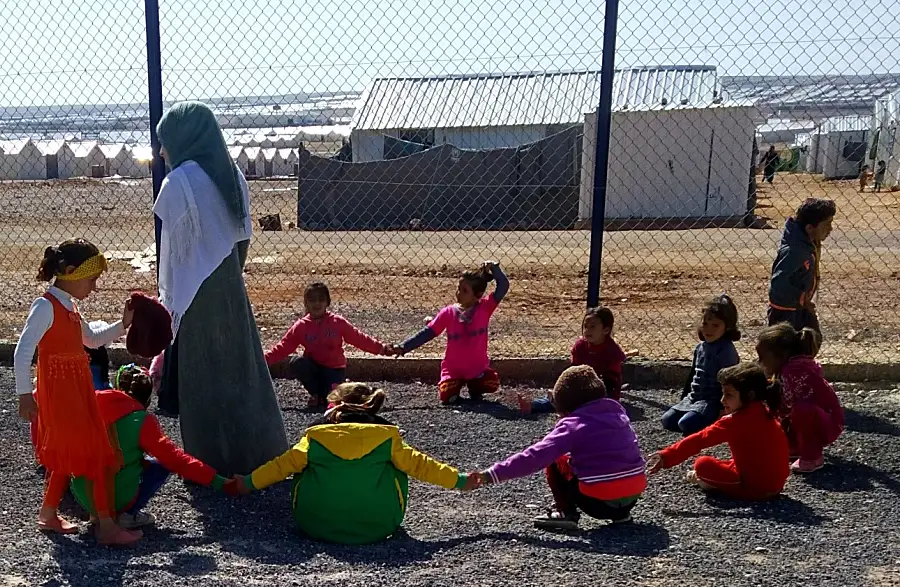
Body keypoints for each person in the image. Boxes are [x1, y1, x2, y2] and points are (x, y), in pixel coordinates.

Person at [154, 101, 288, 475]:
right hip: (230, 285)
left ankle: (209, 462)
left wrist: (171, 303)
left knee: (202, 375)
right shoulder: (230, 173)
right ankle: (259, 454)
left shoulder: (178, 183)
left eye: (165, 142)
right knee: (242, 368)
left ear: (183, 140)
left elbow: (173, 257)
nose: (162, 151)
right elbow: (242, 238)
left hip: (196, 292)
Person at [230, 383, 474, 544]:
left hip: (315, 524)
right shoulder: (387, 438)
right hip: (379, 526)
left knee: (301, 467)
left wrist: (247, 483)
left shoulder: (315, 437)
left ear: (335, 413)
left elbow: (279, 467)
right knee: (401, 465)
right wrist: (459, 480)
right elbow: (424, 466)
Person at [13, 239, 140, 545]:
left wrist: (123, 325)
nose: (94, 287)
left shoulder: (69, 305)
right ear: (70, 272)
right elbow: (22, 351)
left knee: (65, 452)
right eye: (91, 279)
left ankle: (48, 513)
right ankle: (106, 526)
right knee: (96, 452)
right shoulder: (45, 306)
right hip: (61, 396)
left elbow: (93, 340)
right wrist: (23, 395)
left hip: (76, 391)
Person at [470, 366, 645, 530]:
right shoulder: (618, 414)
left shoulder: (572, 425)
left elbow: (535, 456)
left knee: (555, 459)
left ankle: (564, 511)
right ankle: (622, 516)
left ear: (565, 408)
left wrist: (491, 475)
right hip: (633, 496)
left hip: (597, 503)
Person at [70, 364, 230, 529]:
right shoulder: (141, 420)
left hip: (83, 493)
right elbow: (175, 459)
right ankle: (127, 515)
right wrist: (218, 481)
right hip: (116, 496)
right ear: (147, 398)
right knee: (160, 464)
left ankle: (97, 513)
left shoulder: (92, 405)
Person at [647, 363, 789, 500]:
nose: (722, 400)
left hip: (756, 488)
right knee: (731, 462)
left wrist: (666, 455)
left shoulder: (734, 422)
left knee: (702, 464)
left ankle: (706, 482)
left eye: (729, 395)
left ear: (750, 396)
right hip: (776, 485)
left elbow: (699, 439)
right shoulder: (765, 411)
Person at [264, 282, 393, 409]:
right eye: (312, 300)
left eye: (321, 299)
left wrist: (382, 349)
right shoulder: (301, 326)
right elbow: (283, 347)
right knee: (297, 362)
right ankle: (316, 394)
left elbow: (359, 339)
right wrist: (263, 359)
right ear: (306, 303)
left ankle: (330, 392)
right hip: (314, 368)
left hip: (334, 370)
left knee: (334, 400)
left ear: (327, 302)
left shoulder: (337, 322)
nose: (317, 304)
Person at [395, 261, 509, 405]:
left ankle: (474, 386)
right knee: (447, 395)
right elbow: (428, 332)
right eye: (458, 288)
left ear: (478, 294)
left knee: (491, 383)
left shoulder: (485, 308)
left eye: (464, 290)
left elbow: (503, 286)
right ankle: (458, 384)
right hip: (453, 369)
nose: (458, 293)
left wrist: (494, 268)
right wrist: (404, 347)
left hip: (476, 367)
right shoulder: (448, 312)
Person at [756, 323, 844, 474]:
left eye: (762, 357)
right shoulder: (791, 368)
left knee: (801, 409)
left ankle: (812, 456)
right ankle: (797, 446)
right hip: (822, 419)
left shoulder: (793, 371)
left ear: (780, 355)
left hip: (827, 424)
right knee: (792, 410)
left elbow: (788, 405)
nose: (760, 362)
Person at [520, 306, 626, 413]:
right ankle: (534, 405)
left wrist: (594, 389)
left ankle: (569, 406)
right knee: (564, 396)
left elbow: (612, 381)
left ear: (606, 330)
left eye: (592, 327)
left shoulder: (612, 351)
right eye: (585, 326)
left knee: (592, 403)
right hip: (583, 384)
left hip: (603, 389)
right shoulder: (580, 346)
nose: (587, 330)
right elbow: (574, 371)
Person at [661, 295, 740, 435]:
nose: (709, 330)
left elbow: (730, 379)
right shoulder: (700, 347)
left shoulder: (726, 350)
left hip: (712, 401)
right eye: (705, 324)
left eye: (715, 325)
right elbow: (693, 376)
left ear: (727, 327)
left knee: (685, 424)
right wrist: (684, 399)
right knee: (667, 420)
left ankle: (713, 420)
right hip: (694, 398)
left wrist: (724, 408)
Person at [767, 198, 836, 335]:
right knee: (788, 350)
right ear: (809, 228)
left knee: (812, 339)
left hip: (798, 306)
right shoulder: (795, 250)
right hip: (785, 313)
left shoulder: (808, 243)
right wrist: (802, 299)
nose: (830, 229)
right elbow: (778, 285)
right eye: (826, 225)